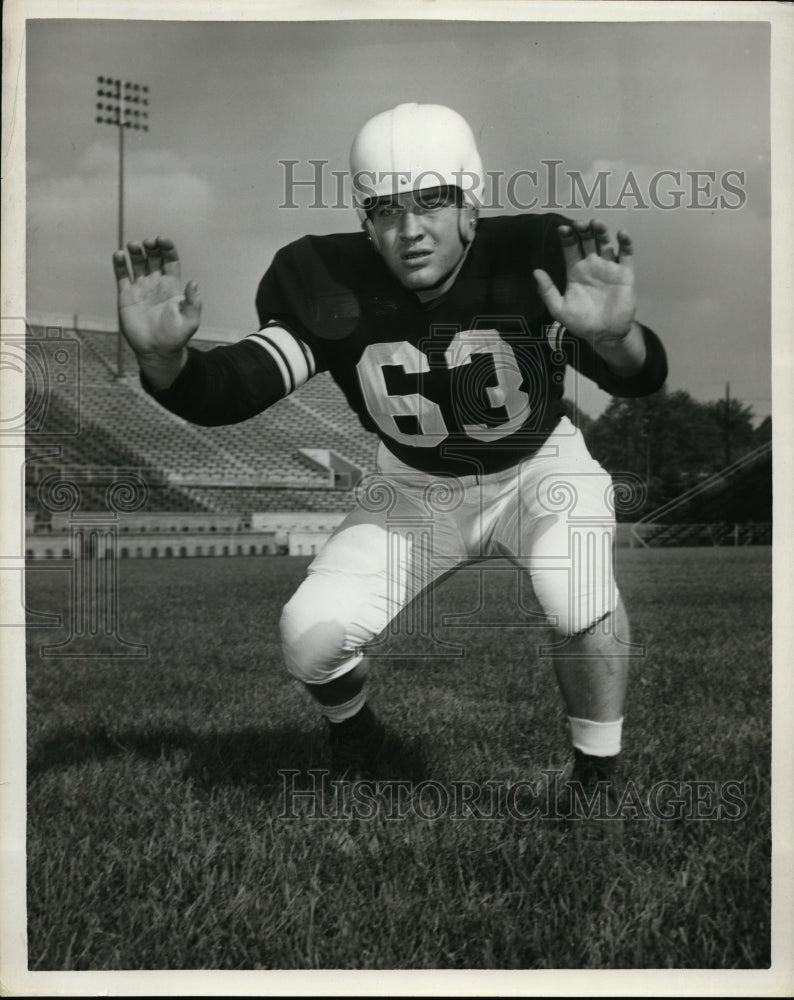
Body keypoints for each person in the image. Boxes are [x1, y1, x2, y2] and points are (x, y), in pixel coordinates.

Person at [113, 104, 667, 839]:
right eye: (385, 208)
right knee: (309, 635)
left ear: (472, 205)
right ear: (365, 219)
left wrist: (619, 339)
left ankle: (596, 776)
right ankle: (356, 734)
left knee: (578, 592)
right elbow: (235, 388)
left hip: (534, 468)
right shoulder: (322, 277)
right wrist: (166, 362)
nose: (409, 230)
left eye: (431, 200)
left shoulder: (530, 252)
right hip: (413, 486)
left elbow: (637, 376)